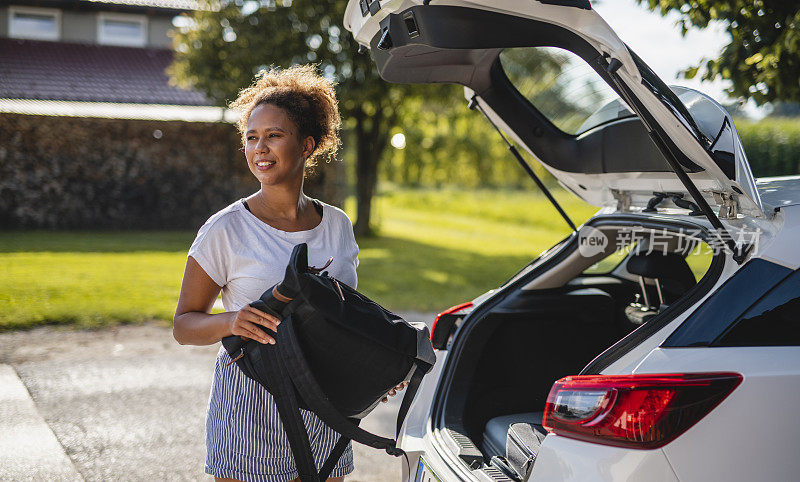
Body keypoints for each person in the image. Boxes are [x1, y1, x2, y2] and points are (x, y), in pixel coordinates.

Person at [173, 64, 403, 482]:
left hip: (325, 403)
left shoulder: (337, 225)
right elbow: (183, 325)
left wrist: (373, 364)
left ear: (308, 145)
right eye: (251, 137)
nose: (259, 148)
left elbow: (341, 319)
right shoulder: (226, 229)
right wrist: (232, 321)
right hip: (250, 403)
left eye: (274, 135)